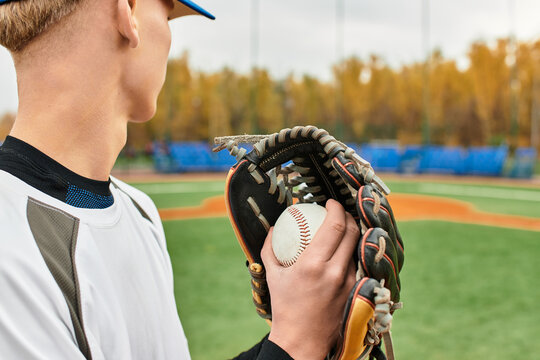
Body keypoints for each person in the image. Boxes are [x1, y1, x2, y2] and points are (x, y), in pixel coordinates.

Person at [0, 0, 359, 359]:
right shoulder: (9, 255)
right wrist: (296, 346)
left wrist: (297, 328)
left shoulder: (138, 209)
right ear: (127, 11)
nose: (170, 37)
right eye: (168, 13)